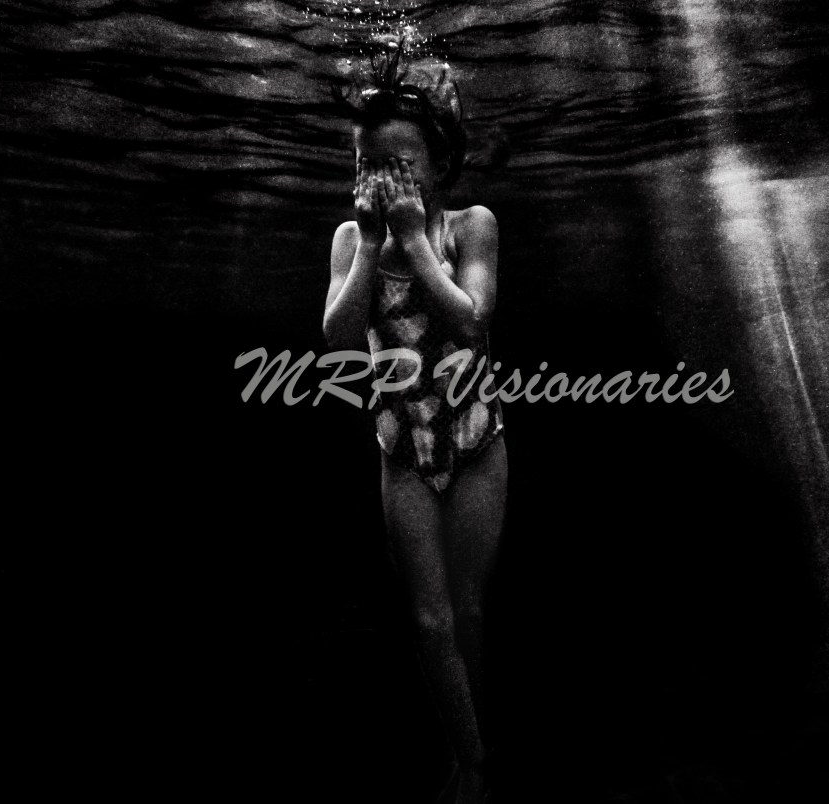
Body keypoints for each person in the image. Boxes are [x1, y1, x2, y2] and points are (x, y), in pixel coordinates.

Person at [323, 43, 506, 804]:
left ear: (439, 165)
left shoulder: (471, 226)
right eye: (367, 166)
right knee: (430, 621)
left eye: (398, 166)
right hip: (402, 451)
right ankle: (473, 760)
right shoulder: (350, 239)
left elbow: (471, 320)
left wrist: (417, 243)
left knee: (468, 610)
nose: (381, 181)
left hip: (475, 442)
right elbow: (339, 339)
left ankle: (470, 747)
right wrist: (373, 243)